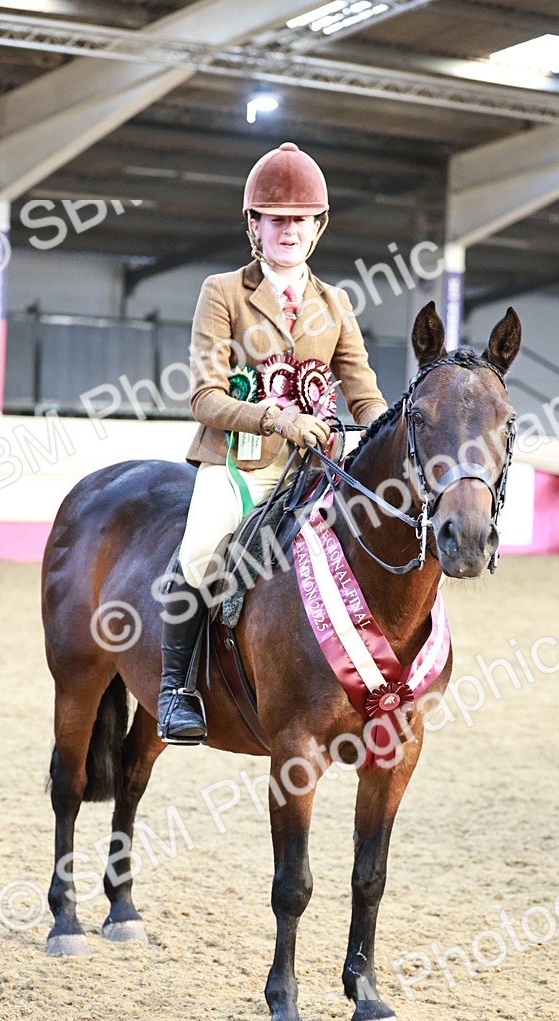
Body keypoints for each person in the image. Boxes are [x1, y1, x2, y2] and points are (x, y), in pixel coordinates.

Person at [158, 141, 388, 744]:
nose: (289, 230)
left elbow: (365, 396)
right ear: (254, 226)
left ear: (318, 227)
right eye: (276, 218)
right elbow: (205, 397)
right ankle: (175, 690)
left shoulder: (336, 304)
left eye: (300, 220)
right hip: (239, 462)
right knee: (201, 550)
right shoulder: (224, 292)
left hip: (317, 468)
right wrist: (277, 419)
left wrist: (394, 437)